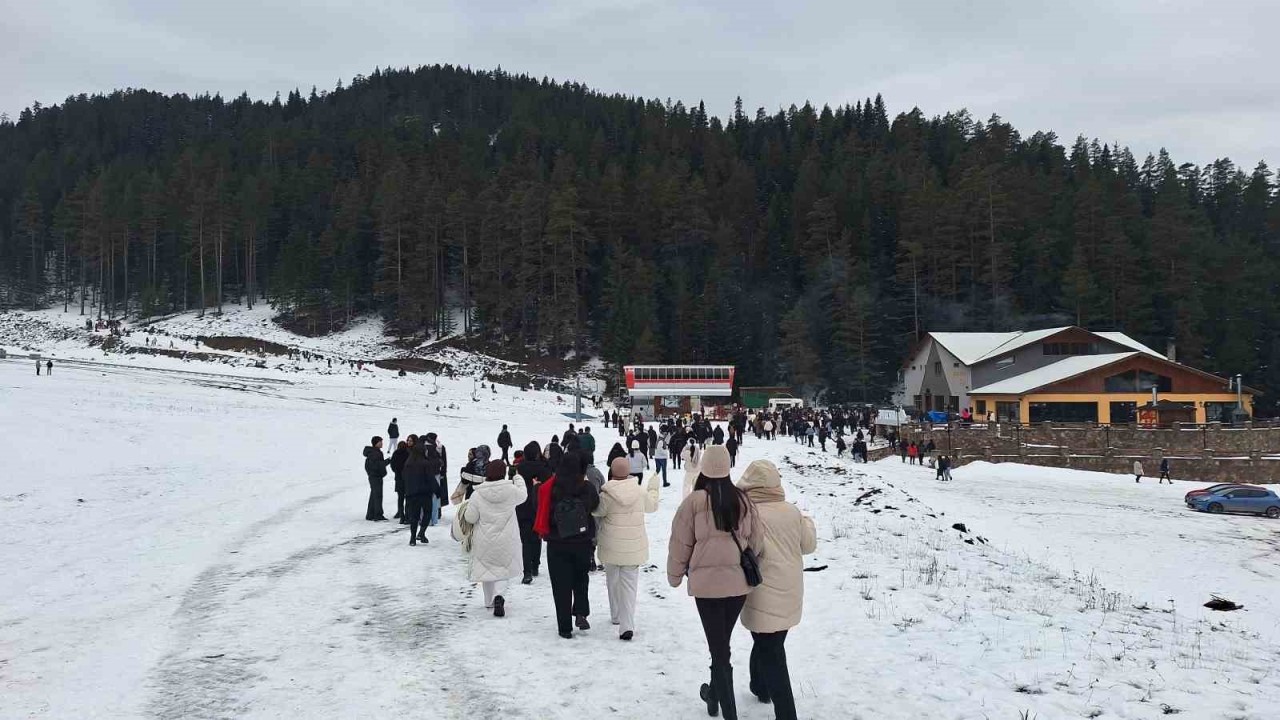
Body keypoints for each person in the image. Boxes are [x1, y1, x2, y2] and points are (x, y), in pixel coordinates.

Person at [667, 445, 762, 720]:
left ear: (705, 467)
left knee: (719, 648)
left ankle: (728, 712)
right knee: (720, 644)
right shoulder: (744, 501)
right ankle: (713, 696)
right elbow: (757, 543)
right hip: (737, 586)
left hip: (707, 587)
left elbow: (679, 544)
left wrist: (674, 576)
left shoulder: (694, 502)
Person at [737, 460, 817, 720]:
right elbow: (808, 545)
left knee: (770, 648)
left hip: (762, 590)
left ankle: (786, 713)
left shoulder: (749, 514)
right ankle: (760, 686)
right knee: (769, 640)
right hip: (791, 588)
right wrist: (808, 522)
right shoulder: (791, 512)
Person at [534, 452, 601, 638]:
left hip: (557, 544)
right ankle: (580, 612)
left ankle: (564, 627)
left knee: (560, 586)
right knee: (581, 578)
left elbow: (540, 509)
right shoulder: (586, 487)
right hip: (582, 543)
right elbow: (595, 505)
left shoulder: (549, 487)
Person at [594, 457, 660, 640]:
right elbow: (652, 506)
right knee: (629, 586)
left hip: (611, 546)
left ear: (612, 472)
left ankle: (615, 615)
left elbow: (597, 511)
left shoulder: (606, 494)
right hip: (633, 546)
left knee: (612, 580)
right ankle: (626, 625)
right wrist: (654, 488)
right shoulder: (639, 492)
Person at [463, 460, 527, 616]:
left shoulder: (477, 494)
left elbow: (471, 518)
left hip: (484, 538)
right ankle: (499, 596)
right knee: (503, 569)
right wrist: (518, 477)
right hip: (507, 538)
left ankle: (489, 601)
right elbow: (523, 496)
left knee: (487, 568)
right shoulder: (511, 491)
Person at [516, 442, 551, 584]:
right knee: (537, 536)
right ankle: (535, 565)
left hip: (523, 505)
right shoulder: (544, 468)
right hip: (539, 506)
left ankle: (527, 571)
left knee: (525, 540)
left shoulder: (520, 468)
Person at [402, 442, 441, 545]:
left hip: (412, 494)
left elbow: (404, 478)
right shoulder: (425, 463)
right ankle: (421, 533)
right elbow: (431, 478)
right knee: (427, 513)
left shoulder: (408, 463)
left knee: (414, 516)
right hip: (425, 493)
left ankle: (412, 538)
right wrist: (437, 491)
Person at [363, 437, 391, 521]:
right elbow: (377, 465)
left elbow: (371, 465)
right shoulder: (375, 453)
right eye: (380, 442)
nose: (382, 443)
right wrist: (388, 461)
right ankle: (378, 515)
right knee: (378, 495)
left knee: (374, 495)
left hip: (374, 476)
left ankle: (370, 514)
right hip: (376, 477)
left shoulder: (373, 452)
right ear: (376, 443)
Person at [390, 438, 411, 521]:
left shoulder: (395, 453)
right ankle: (406, 515)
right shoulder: (408, 454)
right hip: (407, 479)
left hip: (398, 478)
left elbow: (392, 466)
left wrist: (397, 472)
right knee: (407, 498)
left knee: (400, 498)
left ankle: (401, 515)